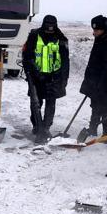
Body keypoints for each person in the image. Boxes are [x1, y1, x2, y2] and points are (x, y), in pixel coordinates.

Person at [22, 15, 69, 143]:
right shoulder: (34, 35)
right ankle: (37, 126)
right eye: (47, 29)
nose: (49, 32)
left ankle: (46, 127)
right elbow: (26, 56)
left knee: (50, 104)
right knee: (36, 103)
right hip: (36, 77)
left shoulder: (62, 39)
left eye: (51, 29)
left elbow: (65, 61)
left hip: (54, 77)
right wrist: (32, 72)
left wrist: (64, 78)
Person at [80, 15, 107, 136]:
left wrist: (101, 83)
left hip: (105, 81)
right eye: (93, 29)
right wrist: (90, 81)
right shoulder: (101, 38)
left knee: (103, 106)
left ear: (104, 29)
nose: (94, 32)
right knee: (95, 104)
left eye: (96, 30)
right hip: (95, 79)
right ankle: (93, 128)